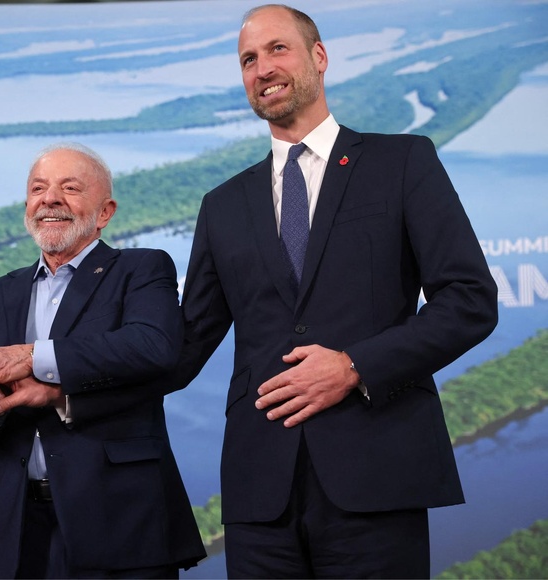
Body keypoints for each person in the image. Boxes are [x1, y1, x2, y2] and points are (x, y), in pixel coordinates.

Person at [174, 5, 499, 578]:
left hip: (378, 473)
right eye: (248, 59)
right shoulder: (222, 205)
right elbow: (181, 345)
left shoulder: (402, 162)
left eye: (278, 49)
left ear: (318, 58)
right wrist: (51, 373)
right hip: (259, 494)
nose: (262, 68)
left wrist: (354, 365)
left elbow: (469, 300)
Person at [0, 142, 206, 579]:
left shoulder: (140, 270)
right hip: (16, 523)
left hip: (119, 518)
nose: (50, 198)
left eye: (70, 188)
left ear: (105, 212)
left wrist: (30, 357)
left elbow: (153, 346)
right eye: (38, 188)